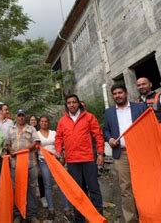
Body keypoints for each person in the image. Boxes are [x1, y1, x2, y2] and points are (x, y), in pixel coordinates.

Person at [55, 94, 105, 222]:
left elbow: (98, 135)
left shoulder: (89, 117)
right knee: (77, 192)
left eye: (74, 102)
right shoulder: (62, 121)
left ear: (79, 104)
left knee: (94, 189)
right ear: (66, 105)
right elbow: (59, 138)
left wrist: (100, 153)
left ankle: (98, 217)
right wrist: (59, 152)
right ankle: (80, 218)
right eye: (69, 103)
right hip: (72, 161)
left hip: (88, 159)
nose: (72, 105)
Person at [103, 84, 147, 223]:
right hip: (121, 155)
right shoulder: (109, 112)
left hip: (140, 152)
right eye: (114, 94)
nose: (117, 96)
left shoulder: (140, 107)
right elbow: (106, 130)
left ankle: (147, 217)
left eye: (120, 93)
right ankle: (131, 219)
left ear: (126, 93)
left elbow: (148, 126)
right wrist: (109, 138)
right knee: (126, 188)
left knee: (144, 185)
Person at [5, 109, 40, 222]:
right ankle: (17, 214)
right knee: (16, 189)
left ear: (25, 117)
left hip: (30, 163)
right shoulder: (11, 129)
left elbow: (36, 143)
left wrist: (24, 150)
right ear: (16, 117)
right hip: (16, 164)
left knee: (31, 189)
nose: (21, 118)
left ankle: (31, 215)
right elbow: (7, 144)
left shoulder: (31, 129)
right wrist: (11, 151)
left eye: (23, 116)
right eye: (19, 116)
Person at [37, 115, 72, 221]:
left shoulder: (54, 133)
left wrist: (62, 157)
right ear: (39, 123)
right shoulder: (36, 134)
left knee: (61, 184)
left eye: (46, 121)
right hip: (43, 161)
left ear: (48, 122)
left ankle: (67, 209)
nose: (44, 123)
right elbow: (35, 150)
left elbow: (59, 145)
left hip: (55, 161)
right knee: (47, 185)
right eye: (42, 121)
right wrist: (37, 165)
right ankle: (51, 209)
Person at [29, 115, 47, 208]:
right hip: (31, 158)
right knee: (31, 180)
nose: (33, 121)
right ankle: (31, 200)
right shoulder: (28, 131)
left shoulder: (40, 132)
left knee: (41, 178)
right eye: (31, 120)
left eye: (34, 120)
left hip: (39, 157)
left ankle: (43, 196)